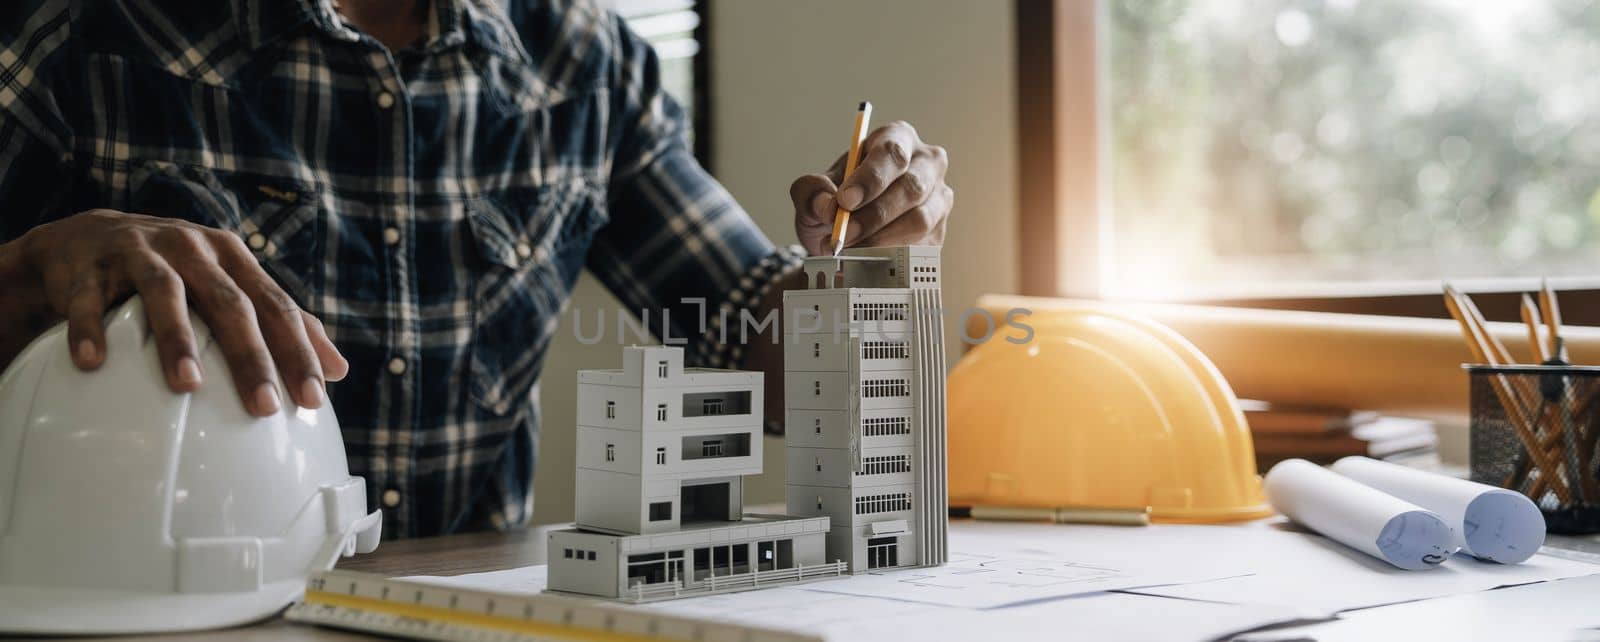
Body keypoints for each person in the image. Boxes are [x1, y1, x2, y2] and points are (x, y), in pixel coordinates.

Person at [0, 0, 952, 539]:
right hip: (145, 606)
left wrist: (880, 268)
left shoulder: (588, 66)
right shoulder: (76, 32)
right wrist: (28, 267)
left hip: (468, 616)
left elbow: (771, 362)